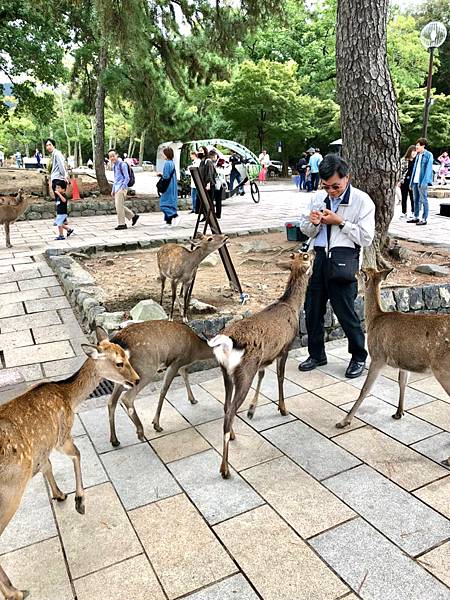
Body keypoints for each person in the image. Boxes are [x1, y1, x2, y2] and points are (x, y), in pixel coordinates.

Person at [298, 154, 375, 379]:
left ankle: (359, 356)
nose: (331, 191)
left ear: (347, 178)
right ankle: (317, 354)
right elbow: (305, 229)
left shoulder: (362, 201)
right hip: (319, 258)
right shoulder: (318, 198)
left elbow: (367, 238)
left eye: (335, 186)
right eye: (326, 186)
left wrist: (340, 222)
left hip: (345, 259)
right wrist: (312, 223)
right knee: (312, 309)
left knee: (345, 312)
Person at [108, 148, 139, 230]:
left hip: (121, 188)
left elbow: (127, 178)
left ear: (117, 155)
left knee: (119, 206)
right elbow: (116, 179)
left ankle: (122, 224)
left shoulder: (122, 164)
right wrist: (113, 189)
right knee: (119, 206)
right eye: (110, 156)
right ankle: (133, 216)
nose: (112, 158)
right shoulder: (115, 165)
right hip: (117, 187)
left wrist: (123, 187)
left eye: (113, 156)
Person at [407, 137, 433, 226]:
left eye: (418, 145)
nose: (416, 147)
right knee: (415, 199)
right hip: (415, 181)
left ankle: (424, 218)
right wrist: (411, 182)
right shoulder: (417, 156)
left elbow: (428, 169)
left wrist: (425, 182)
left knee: (424, 199)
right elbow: (414, 169)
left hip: (422, 181)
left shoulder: (429, 155)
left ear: (423, 146)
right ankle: (416, 216)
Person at [157, 146, 179, 227]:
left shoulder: (167, 163)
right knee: (170, 204)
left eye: (163, 154)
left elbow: (166, 176)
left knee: (163, 205)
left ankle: (175, 216)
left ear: (166, 155)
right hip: (172, 185)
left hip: (167, 187)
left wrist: (160, 174)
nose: (162, 155)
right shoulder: (172, 163)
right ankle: (168, 222)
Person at [399, 145, 416, 219]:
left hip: (413, 181)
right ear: (410, 151)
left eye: (415, 151)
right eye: (413, 151)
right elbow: (400, 171)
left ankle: (413, 212)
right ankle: (404, 212)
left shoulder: (417, 160)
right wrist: (399, 180)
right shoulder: (404, 160)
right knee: (404, 197)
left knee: (413, 198)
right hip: (405, 180)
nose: (414, 153)